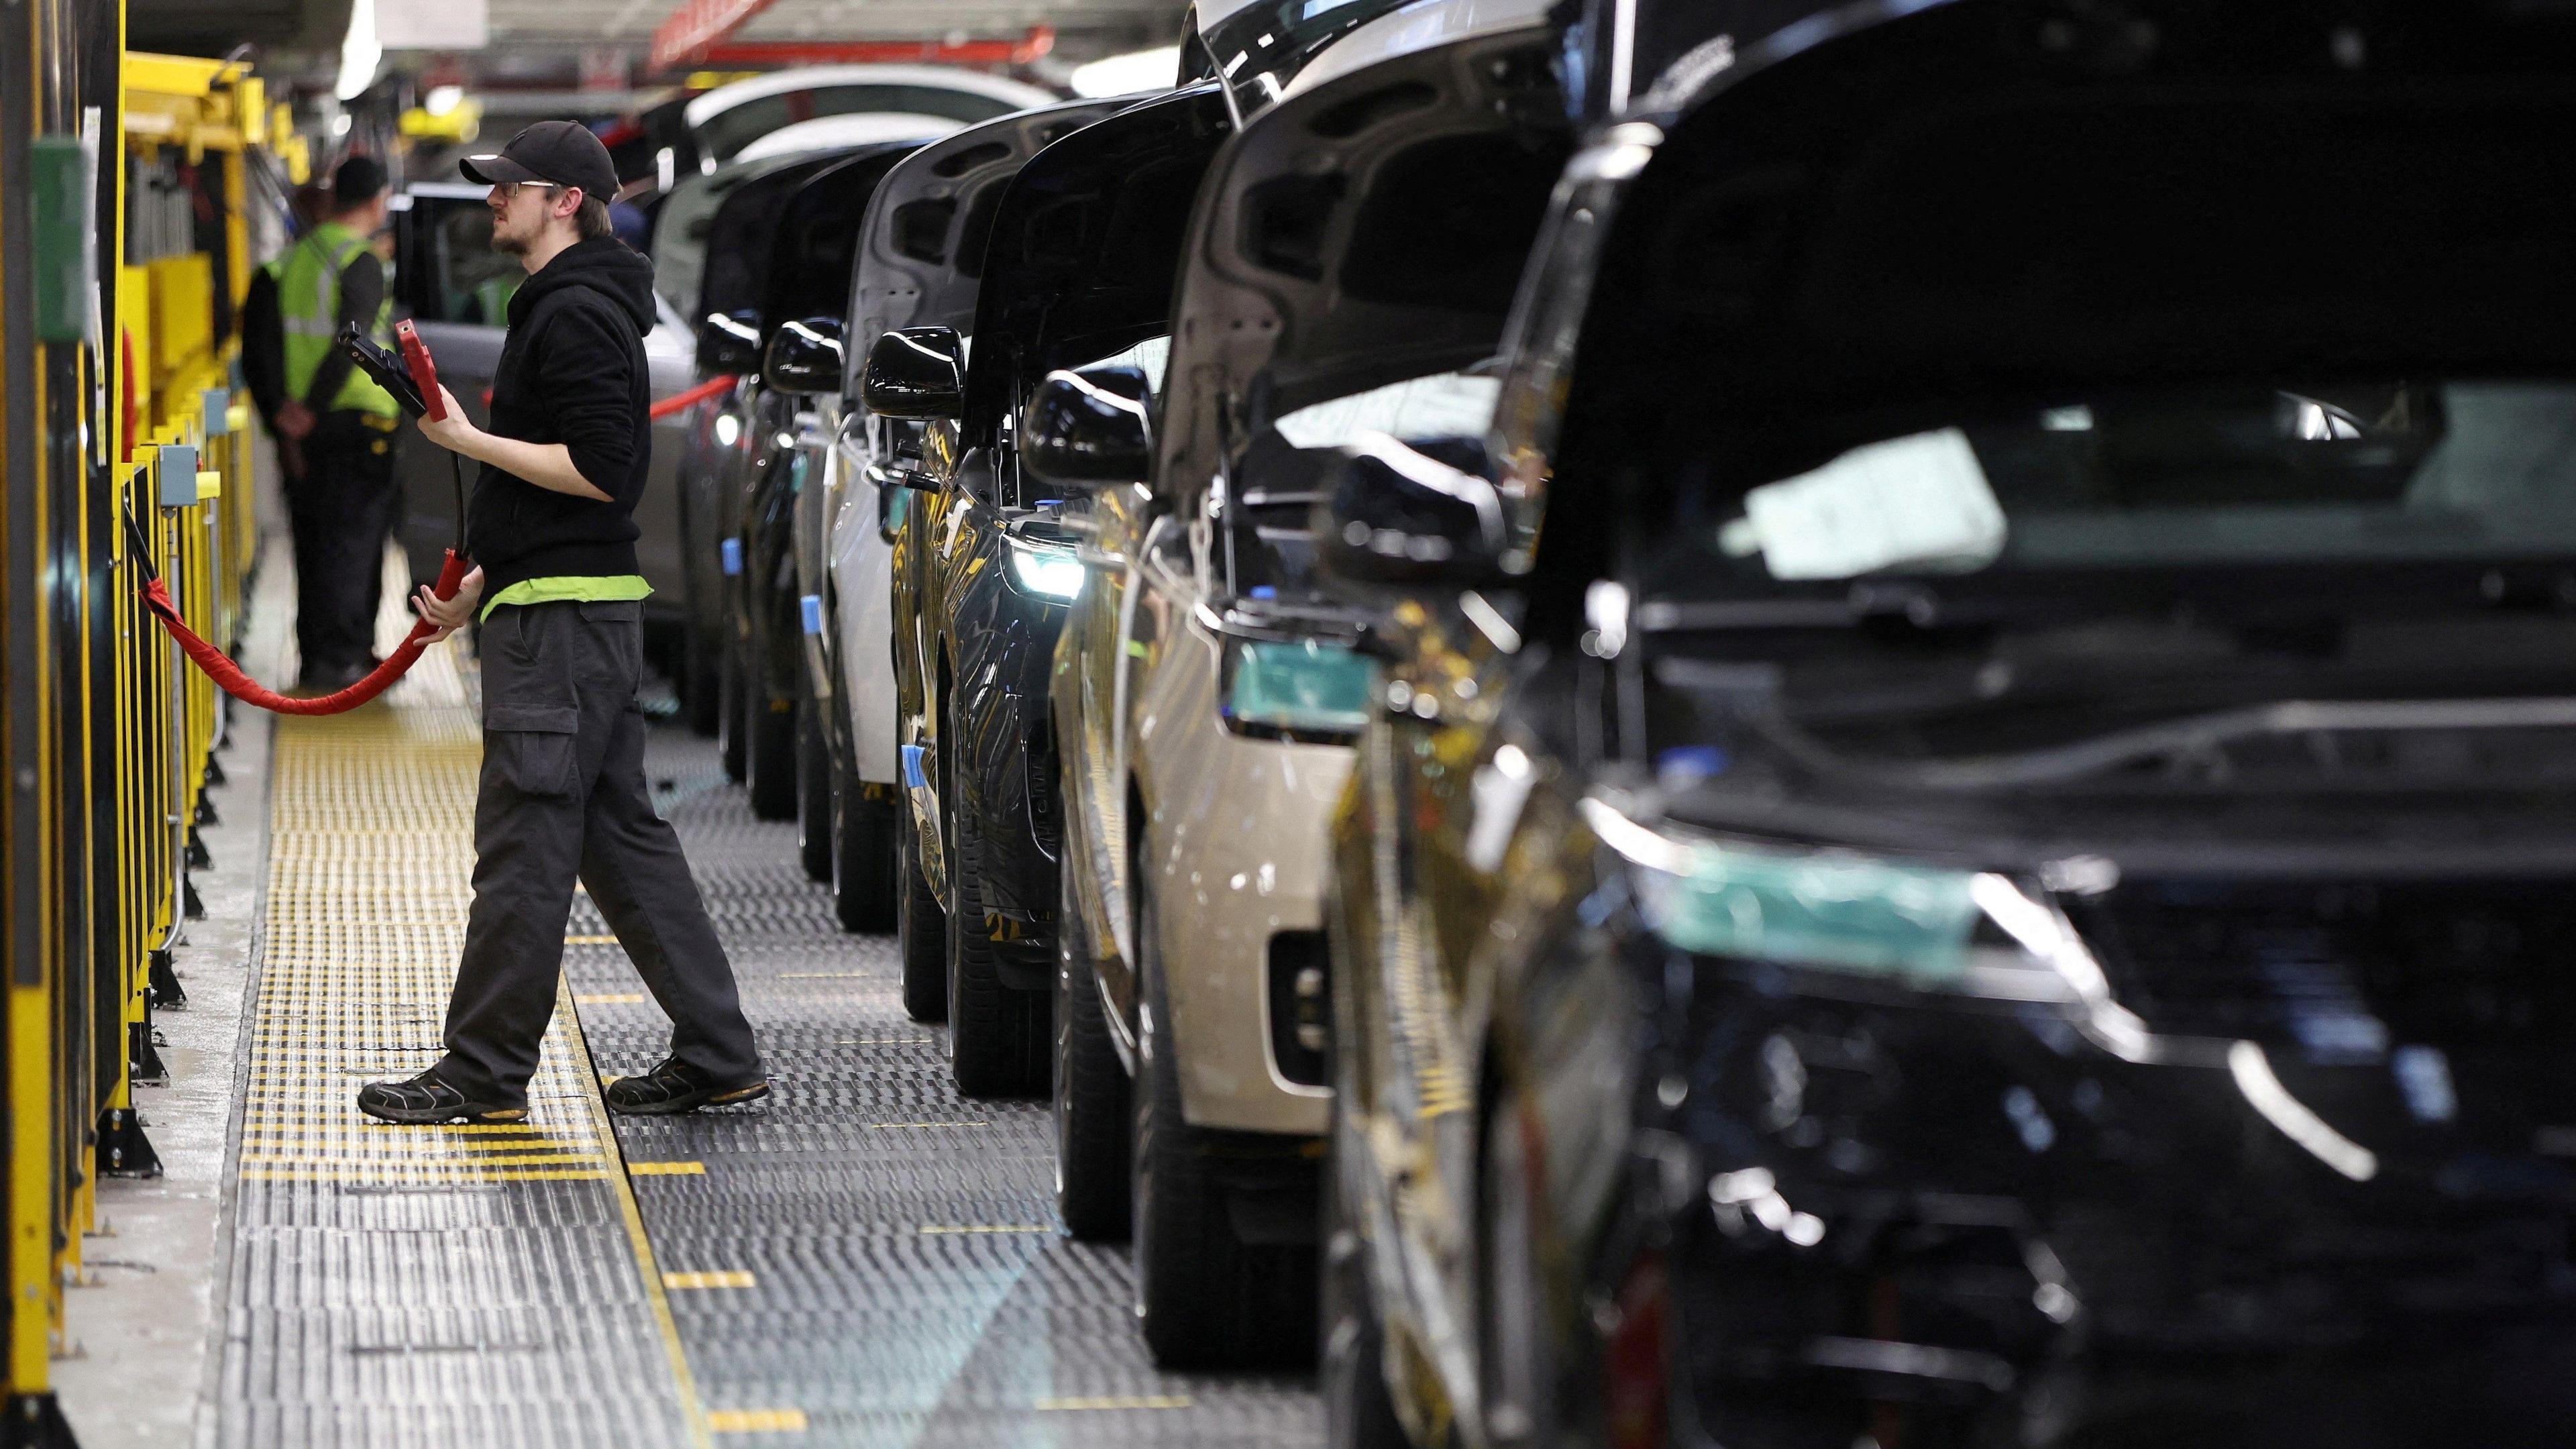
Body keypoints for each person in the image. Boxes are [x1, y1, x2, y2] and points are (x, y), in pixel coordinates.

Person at [356, 121, 767, 1125]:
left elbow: (595, 469)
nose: (495, 200)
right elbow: (561, 502)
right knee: (617, 837)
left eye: (511, 188)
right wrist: (479, 586)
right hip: (573, 608)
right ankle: (718, 1050)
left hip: (564, 630)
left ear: (566, 202)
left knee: (525, 845)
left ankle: (482, 1072)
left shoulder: (576, 315)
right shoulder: (570, 307)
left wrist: (464, 437)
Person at [275, 156, 405, 692]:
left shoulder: (298, 255)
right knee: (355, 542)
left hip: (309, 427)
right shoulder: (360, 259)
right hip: (356, 419)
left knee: (318, 540)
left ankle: (319, 654)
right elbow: (351, 343)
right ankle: (345, 659)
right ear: (376, 200)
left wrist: (291, 411)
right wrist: (314, 405)